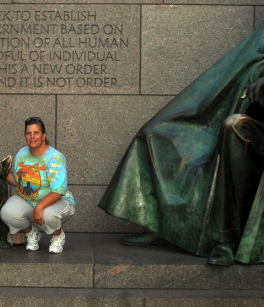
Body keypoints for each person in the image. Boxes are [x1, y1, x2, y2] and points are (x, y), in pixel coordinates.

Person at [98, 24, 264, 265]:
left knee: (232, 128)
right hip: (235, 110)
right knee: (155, 133)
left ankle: (224, 240)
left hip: (248, 123)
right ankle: (160, 222)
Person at [0, 117, 75, 253]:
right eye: (28, 133)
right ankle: (31, 233)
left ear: (44, 135)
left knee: (48, 214)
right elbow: (17, 181)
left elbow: (58, 190)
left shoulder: (55, 157)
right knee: (7, 212)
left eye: (36, 133)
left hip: (58, 201)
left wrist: (40, 207)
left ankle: (58, 235)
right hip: (29, 200)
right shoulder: (22, 154)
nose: (32, 136)